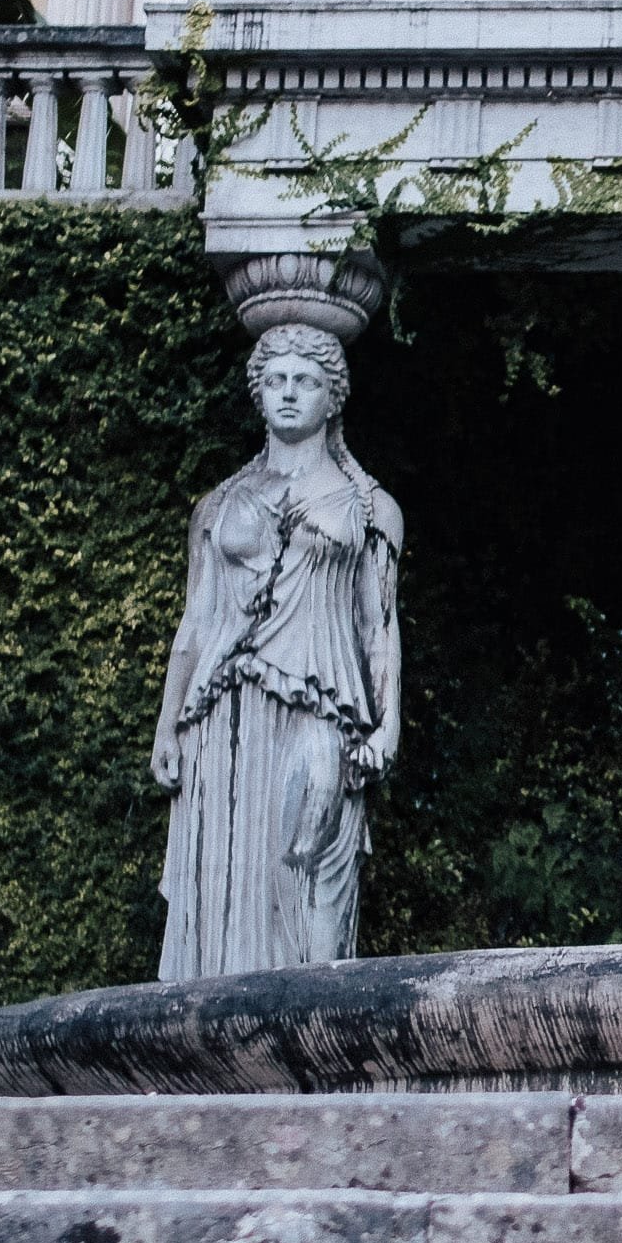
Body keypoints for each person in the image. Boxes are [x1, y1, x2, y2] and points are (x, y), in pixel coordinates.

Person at [151, 323, 403, 982]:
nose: (289, 393)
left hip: (323, 698)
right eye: (276, 381)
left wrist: (389, 722)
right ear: (257, 393)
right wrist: (166, 729)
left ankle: (307, 1021)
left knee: (305, 851)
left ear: (333, 395)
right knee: (226, 866)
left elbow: (379, 623)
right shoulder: (218, 505)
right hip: (222, 707)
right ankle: (219, 1020)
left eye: (306, 381)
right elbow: (196, 620)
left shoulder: (370, 505)